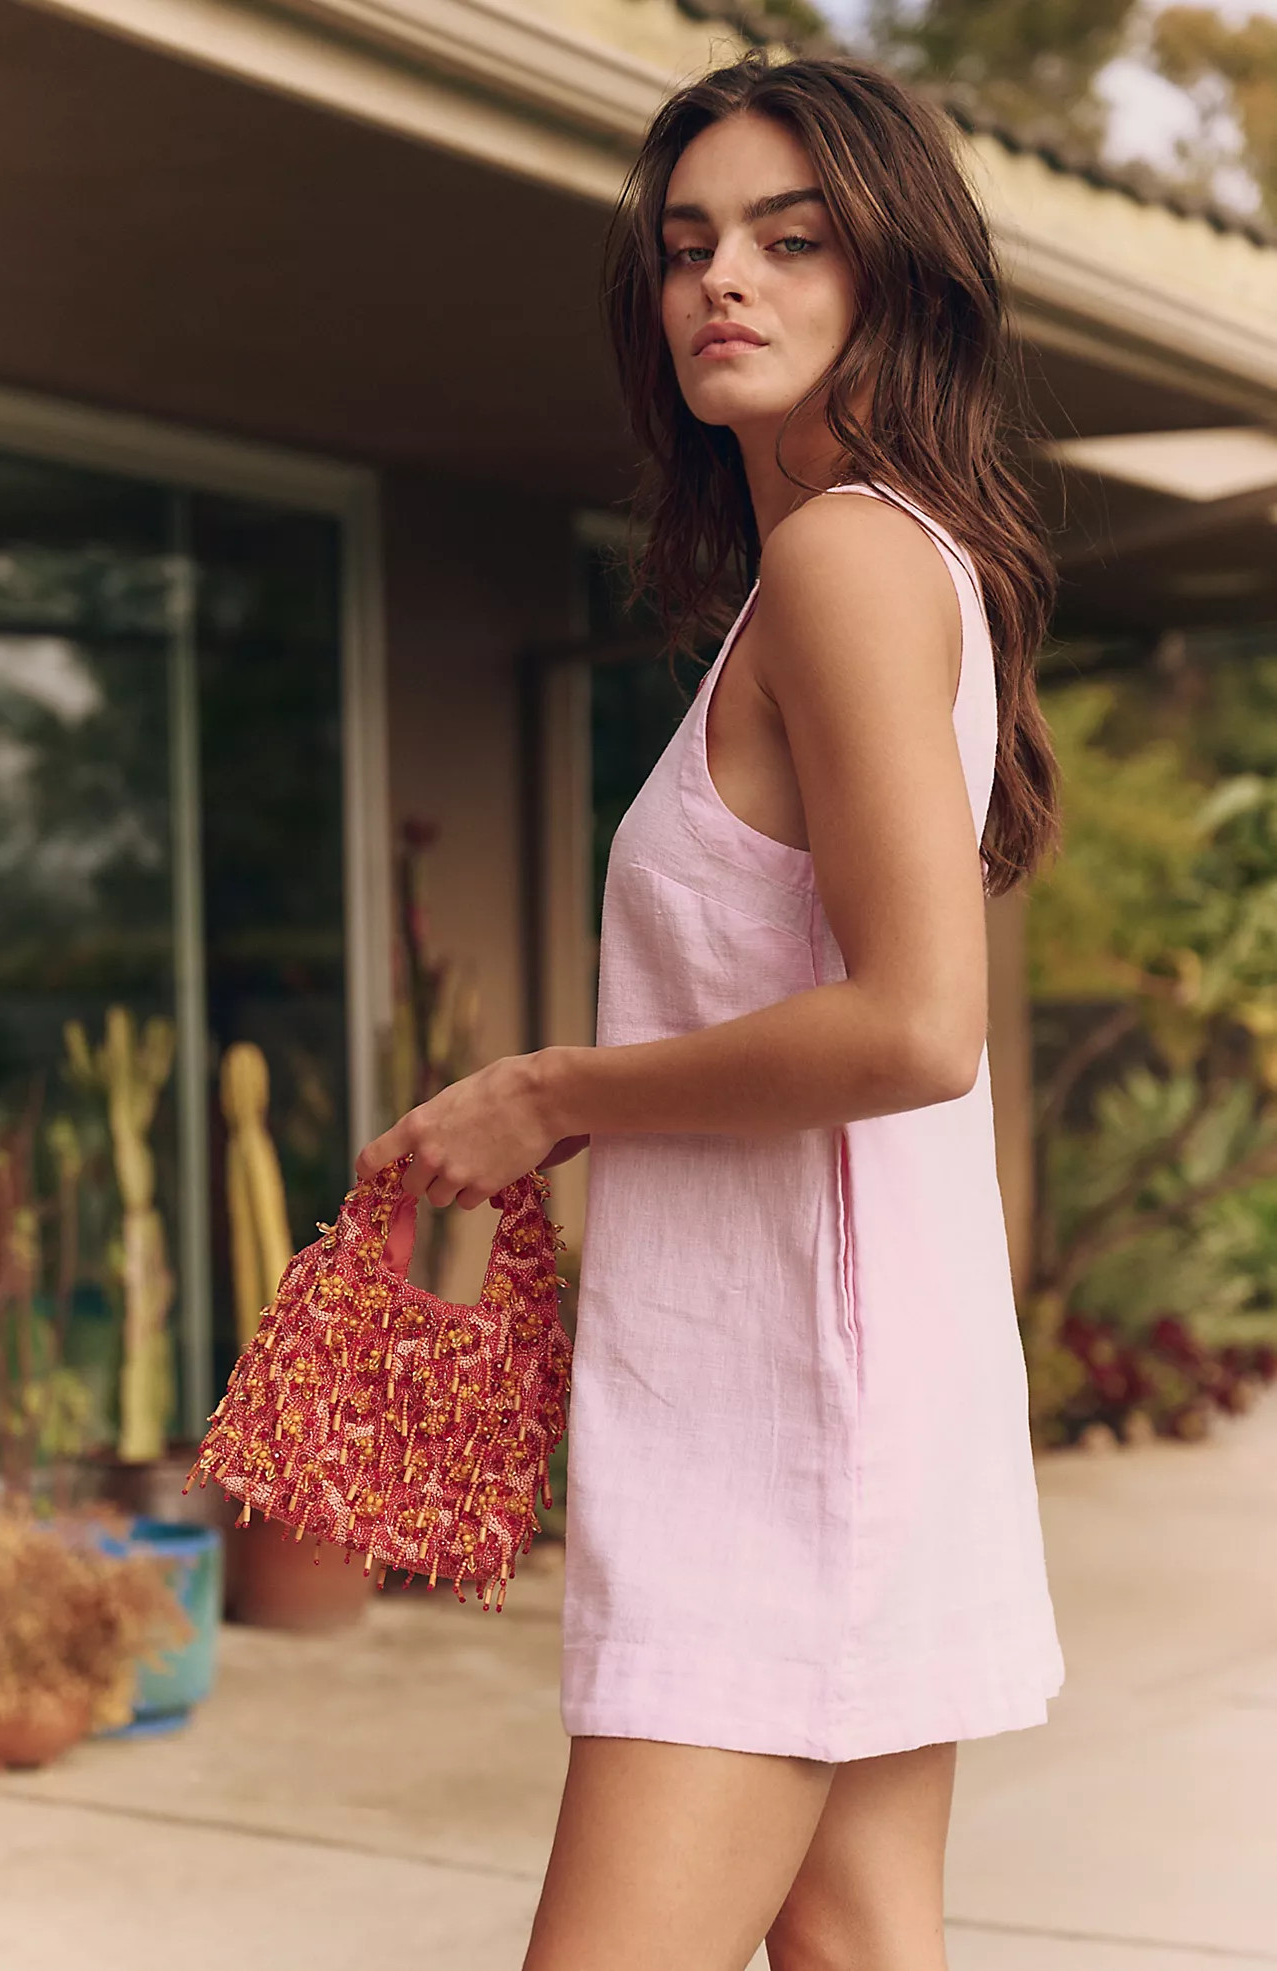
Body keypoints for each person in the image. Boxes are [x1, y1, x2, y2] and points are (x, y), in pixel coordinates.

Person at [357, 51, 1064, 1971]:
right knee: (853, 1943)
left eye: (787, 238)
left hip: (791, 1430)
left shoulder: (845, 558)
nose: (720, 281)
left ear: (894, 276)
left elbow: (917, 1026)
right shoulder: (863, 560)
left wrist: (549, 1092)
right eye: (686, 247)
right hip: (845, 1389)